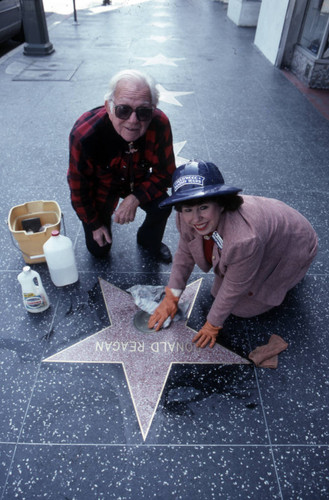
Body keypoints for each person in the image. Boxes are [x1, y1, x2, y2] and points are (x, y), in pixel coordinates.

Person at [148, 160, 318, 348]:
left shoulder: (244, 239)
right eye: (188, 210)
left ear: (221, 203)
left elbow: (234, 286)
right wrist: (171, 296)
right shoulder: (184, 216)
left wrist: (213, 324)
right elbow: (184, 254)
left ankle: (290, 275)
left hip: (292, 245)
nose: (195, 218)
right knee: (219, 290)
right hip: (264, 235)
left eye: (203, 207)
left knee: (241, 308)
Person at [67, 69, 176, 263]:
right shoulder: (85, 134)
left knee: (162, 206)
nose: (133, 121)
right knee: (99, 251)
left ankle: (148, 239)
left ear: (153, 109)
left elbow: (166, 174)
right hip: (102, 189)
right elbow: (78, 189)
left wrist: (134, 198)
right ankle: (103, 224)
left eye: (143, 112)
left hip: (138, 180)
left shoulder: (159, 124)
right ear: (109, 107)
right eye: (123, 110)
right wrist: (94, 224)